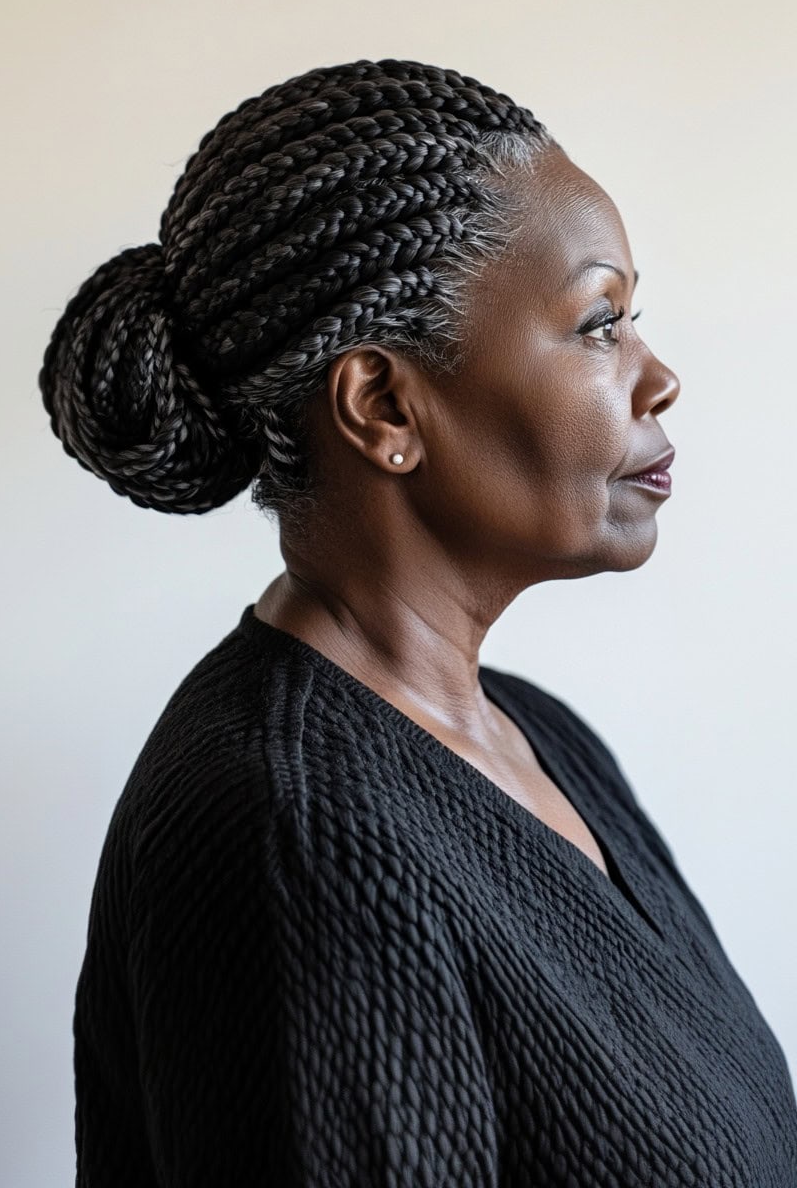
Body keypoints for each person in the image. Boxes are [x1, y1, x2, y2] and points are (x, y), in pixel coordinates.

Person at [40, 59, 797, 1185]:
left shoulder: (543, 738)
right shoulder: (295, 840)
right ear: (385, 405)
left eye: (636, 318)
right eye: (599, 323)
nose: (659, 377)